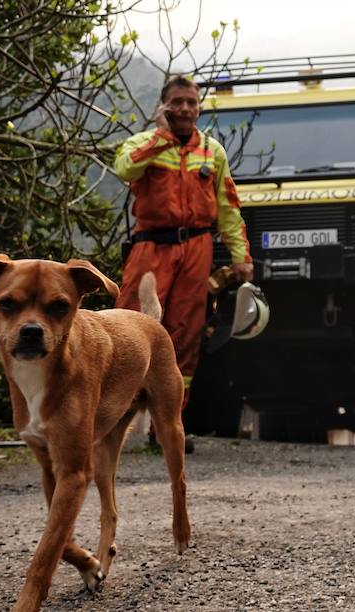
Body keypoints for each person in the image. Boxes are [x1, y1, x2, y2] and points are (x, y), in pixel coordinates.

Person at [114, 75, 252, 444]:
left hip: (197, 249)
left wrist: (241, 258)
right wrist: (160, 136)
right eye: (177, 102)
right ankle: (111, 423)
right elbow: (125, 170)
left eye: (191, 102)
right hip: (151, 248)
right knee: (129, 330)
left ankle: (168, 428)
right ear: (163, 106)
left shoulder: (213, 151)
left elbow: (229, 208)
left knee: (185, 336)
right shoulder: (142, 143)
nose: (185, 109)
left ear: (199, 106)